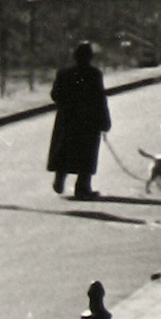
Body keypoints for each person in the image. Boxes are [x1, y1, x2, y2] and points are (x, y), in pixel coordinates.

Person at [48, 41, 111, 200]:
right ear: (90, 57)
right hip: (88, 120)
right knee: (86, 153)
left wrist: (66, 104)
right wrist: (105, 120)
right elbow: (100, 99)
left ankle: (60, 178)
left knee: (64, 149)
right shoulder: (94, 74)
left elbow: (55, 95)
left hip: (67, 118)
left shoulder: (64, 73)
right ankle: (82, 187)